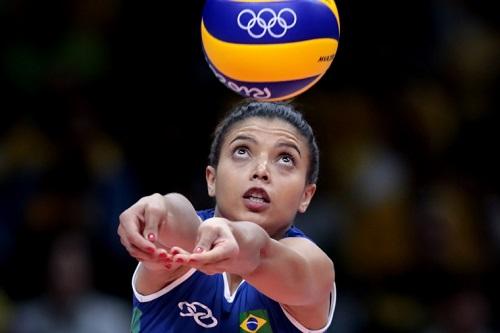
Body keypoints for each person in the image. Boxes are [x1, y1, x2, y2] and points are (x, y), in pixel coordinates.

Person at [118, 101, 337, 332]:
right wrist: (156, 211)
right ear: (212, 179)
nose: (261, 170)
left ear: (306, 195)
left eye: (285, 158)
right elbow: (178, 218)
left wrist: (237, 239)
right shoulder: (181, 248)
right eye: (242, 151)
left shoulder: (313, 266)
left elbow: (261, 252)